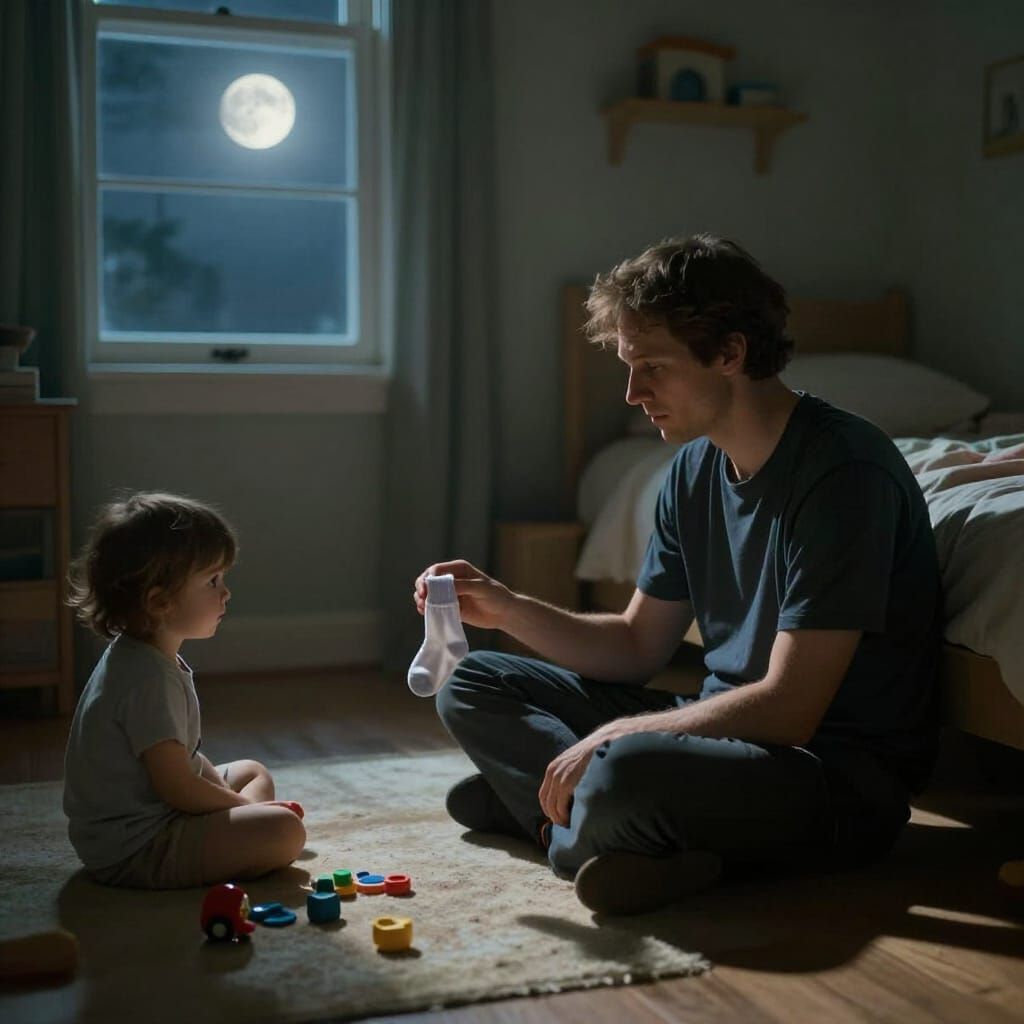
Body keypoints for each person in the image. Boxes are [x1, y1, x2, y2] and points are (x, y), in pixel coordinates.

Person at [415, 234, 942, 916]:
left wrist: (621, 737)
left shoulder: (844, 473)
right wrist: (509, 607)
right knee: (475, 682)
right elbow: (636, 646)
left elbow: (790, 708)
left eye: (653, 368)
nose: (633, 394)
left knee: (627, 768)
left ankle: (551, 820)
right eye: (630, 368)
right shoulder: (691, 471)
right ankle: (591, 826)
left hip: (830, 774)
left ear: (729, 353)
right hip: (724, 738)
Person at [64, 492, 306, 889]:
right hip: (136, 847)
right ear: (159, 601)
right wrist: (241, 807)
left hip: (155, 812)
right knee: (285, 830)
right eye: (212, 581)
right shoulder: (146, 679)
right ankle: (247, 834)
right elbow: (177, 787)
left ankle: (241, 832)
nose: (225, 593)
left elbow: (184, 759)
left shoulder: (144, 656)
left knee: (252, 771)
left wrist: (231, 802)